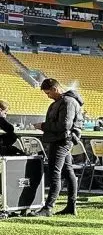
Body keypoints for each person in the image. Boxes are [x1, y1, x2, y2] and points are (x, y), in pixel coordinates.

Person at [27, 78, 84, 217]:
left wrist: (43, 126)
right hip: (62, 140)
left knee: (55, 173)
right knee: (68, 171)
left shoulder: (67, 102)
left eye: (48, 93)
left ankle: (48, 208)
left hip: (61, 141)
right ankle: (71, 206)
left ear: (55, 89)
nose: (48, 96)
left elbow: (64, 126)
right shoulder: (63, 101)